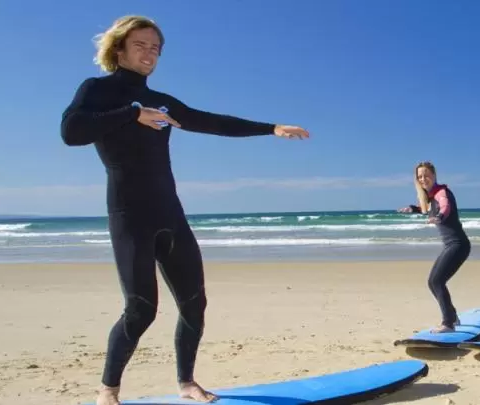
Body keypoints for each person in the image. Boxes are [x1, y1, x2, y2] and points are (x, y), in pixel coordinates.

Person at [59, 15, 310, 405]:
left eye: (155, 47)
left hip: (170, 214)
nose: (149, 53)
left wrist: (272, 127)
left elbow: (209, 121)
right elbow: (71, 132)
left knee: (195, 303)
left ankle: (187, 383)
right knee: (141, 310)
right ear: (119, 49)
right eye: (141, 45)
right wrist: (131, 113)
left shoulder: (162, 101)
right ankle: (108, 390)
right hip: (129, 215)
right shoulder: (98, 90)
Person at [397, 161, 472, 333]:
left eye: (426, 175)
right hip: (451, 245)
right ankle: (452, 316)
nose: (423, 179)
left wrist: (439, 217)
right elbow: (428, 209)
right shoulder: (430, 197)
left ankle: (448, 323)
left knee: (437, 281)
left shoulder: (441, 192)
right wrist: (413, 209)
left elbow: (445, 206)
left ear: (434, 175)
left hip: (458, 245)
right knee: (433, 282)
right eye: (420, 176)